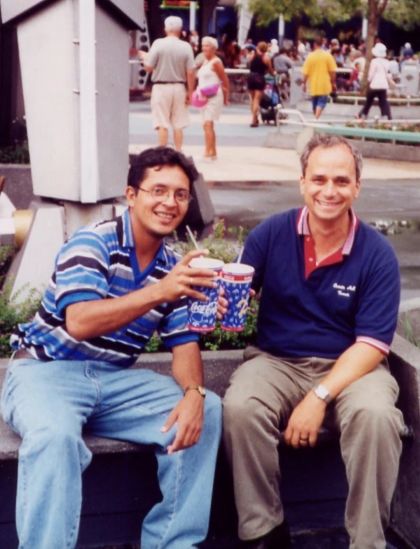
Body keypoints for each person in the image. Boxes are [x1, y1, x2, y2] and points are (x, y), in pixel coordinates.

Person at [1, 147, 223, 549]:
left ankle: (173, 543)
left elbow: (184, 344)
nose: (169, 202)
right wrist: (161, 291)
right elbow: (80, 321)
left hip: (112, 383)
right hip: (44, 372)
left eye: (180, 194)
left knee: (206, 409)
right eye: (158, 190)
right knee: (54, 438)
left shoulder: (171, 267)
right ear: (131, 195)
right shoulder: (92, 243)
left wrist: (194, 392)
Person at [222, 134, 405, 549]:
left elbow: (372, 344)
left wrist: (318, 397)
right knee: (240, 408)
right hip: (276, 361)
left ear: (357, 187)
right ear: (302, 182)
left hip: (353, 365)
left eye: (341, 181)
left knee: (377, 416)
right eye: (319, 179)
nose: (329, 191)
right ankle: (264, 532)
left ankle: (368, 542)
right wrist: (220, 305)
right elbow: (238, 297)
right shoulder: (271, 234)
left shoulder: (377, 254)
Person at [143, 16, 195, 151]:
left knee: (162, 123)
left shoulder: (158, 44)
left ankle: (162, 153)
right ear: (180, 29)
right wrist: (190, 92)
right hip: (179, 87)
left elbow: (148, 67)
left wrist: (143, 57)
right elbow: (190, 72)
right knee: (178, 124)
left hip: (160, 87)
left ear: (166, 28)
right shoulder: (186, 46)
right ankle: (178, 152)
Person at [196, 36, 229, 161]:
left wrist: (226, 97)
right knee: (206, 125)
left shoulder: (216, 62)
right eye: (203, 45)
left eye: (207, 46)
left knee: (208, 123)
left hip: (214, 96)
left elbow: (225, 80)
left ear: (214, 48)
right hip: (203, 96)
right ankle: (212, 151)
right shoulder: (204, 61)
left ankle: (208, 152)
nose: (204, 48)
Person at [302, 36, 337, 119]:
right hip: (325, 84)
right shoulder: (328, 56)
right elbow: (332, 71)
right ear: (322, 44)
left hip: (313, 85)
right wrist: (333, 83)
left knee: (315, 104)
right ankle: (316, 118)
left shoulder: (310, 56)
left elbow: (305, 73)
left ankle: (315, 118)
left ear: (314, 44)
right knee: (321, 103)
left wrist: (304, 83)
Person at [358, 42, 393, 120]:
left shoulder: (374, 61)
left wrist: (367, 82)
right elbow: (388, 75)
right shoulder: (387, 62)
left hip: (374, 84)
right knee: (383, 101)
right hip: (383, 85)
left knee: (369, 100)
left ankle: (363, 114)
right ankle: (386, 116)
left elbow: (371, 74)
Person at [246, 41, 274, 127]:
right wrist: (273, 74)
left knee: (252, 99)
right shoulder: (266, 58)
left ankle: (254, 118)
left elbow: (248, 64)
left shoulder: (252, 55)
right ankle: (254, 120)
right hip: (260, 78)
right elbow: (270, 70)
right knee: (257, 100)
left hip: (251, 77)